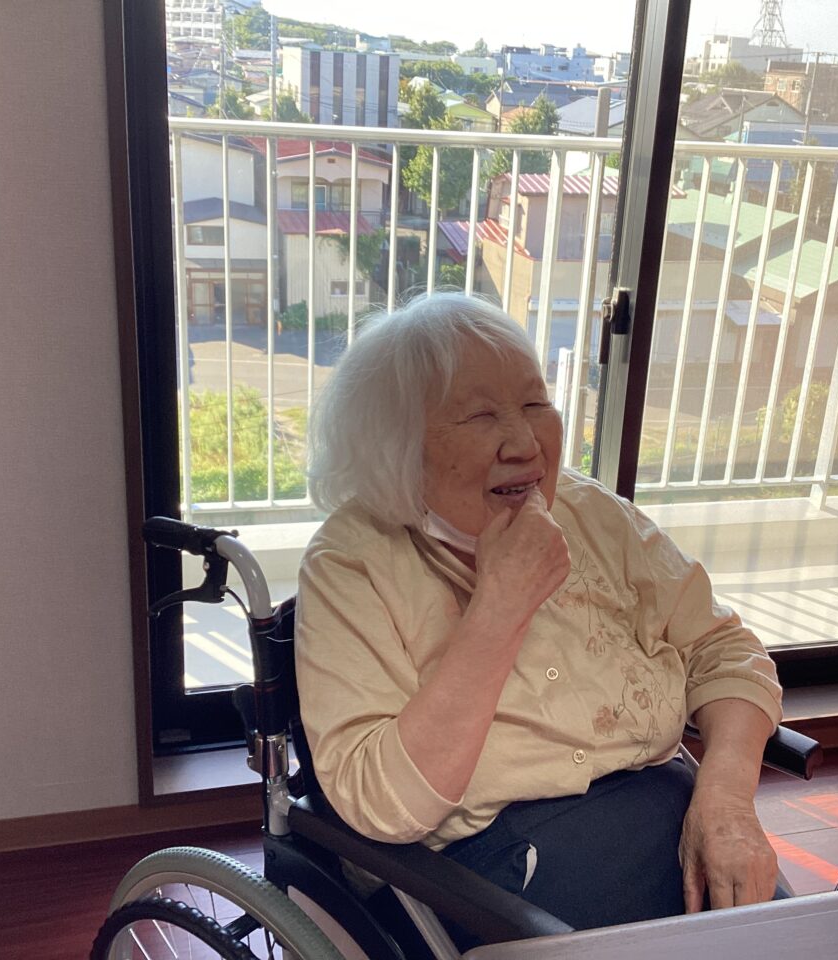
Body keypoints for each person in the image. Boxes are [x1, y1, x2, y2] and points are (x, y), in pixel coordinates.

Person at [295, 293, 784, 937]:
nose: (527, 443)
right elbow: (382, 804)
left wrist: (725, 802)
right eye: (480, 415)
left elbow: (723, 651)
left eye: (535, 404)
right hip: (492, 870)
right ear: (398, 445)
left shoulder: (591, 513)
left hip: (671, 812)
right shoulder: (351, 563)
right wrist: (501, 605)